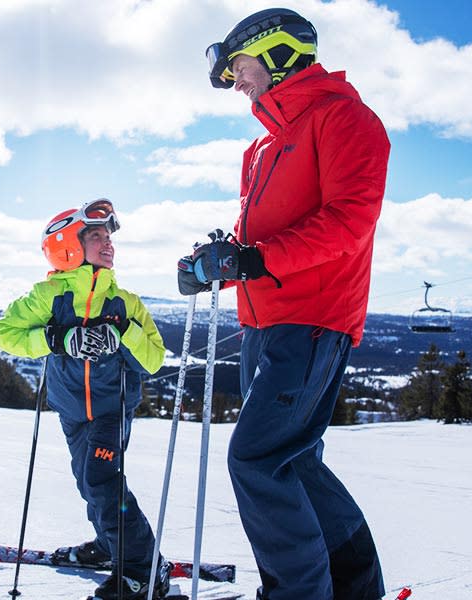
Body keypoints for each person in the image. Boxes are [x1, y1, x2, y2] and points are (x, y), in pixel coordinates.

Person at [180, 8, 390, 600]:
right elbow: (263, 239)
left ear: (276, 53)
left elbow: (350, 221)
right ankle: (355, 589)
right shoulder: (264, 145)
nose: (237, 83)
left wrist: (255, 260)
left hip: (313, 318)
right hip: (265, 322)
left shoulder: (344, 118)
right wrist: (219, 262)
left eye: (239, 69)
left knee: (257, 459)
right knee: (292, 463)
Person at [0, 198, 170, 600]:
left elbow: (155, 360)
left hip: (112, 410)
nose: (109, 244)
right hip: (71, 410)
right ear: (67, 244)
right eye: (96, 236)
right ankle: (110, 545)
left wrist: (123, 332)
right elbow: (5, 332)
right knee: (88, 485)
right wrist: (56, 339)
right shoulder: (46, 296)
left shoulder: (125, 303)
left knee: (102, 481)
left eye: (109, 237)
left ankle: (144, 567)